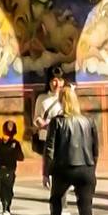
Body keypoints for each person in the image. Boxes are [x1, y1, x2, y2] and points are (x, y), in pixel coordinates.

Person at [46, 79, 100, 215]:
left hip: (64, 169)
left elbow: (50, 149)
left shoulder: (57, 122)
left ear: (61, 102)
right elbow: (95, 150)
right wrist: (92, 169)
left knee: (56, 198)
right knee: (86, 212)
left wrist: (46, 172)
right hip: (85, 169)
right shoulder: (88, 121)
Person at [31, 63, 65, 193]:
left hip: (63, 138)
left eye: (60, 81)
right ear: (49, 82)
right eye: (54, 81)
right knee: (50, 167)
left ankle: (62, 200)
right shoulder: (42, 98)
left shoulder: (66, 97)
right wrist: (44, 124)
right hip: (47, 137)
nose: (57, 84)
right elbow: (36, 118)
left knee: (61, 171)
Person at [0, 118, 25, 215]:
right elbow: (21, 157)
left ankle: (1, 208)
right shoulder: (15, 143)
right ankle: (6, 209)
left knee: (0, 189)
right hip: (9, 169)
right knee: (8, 190)